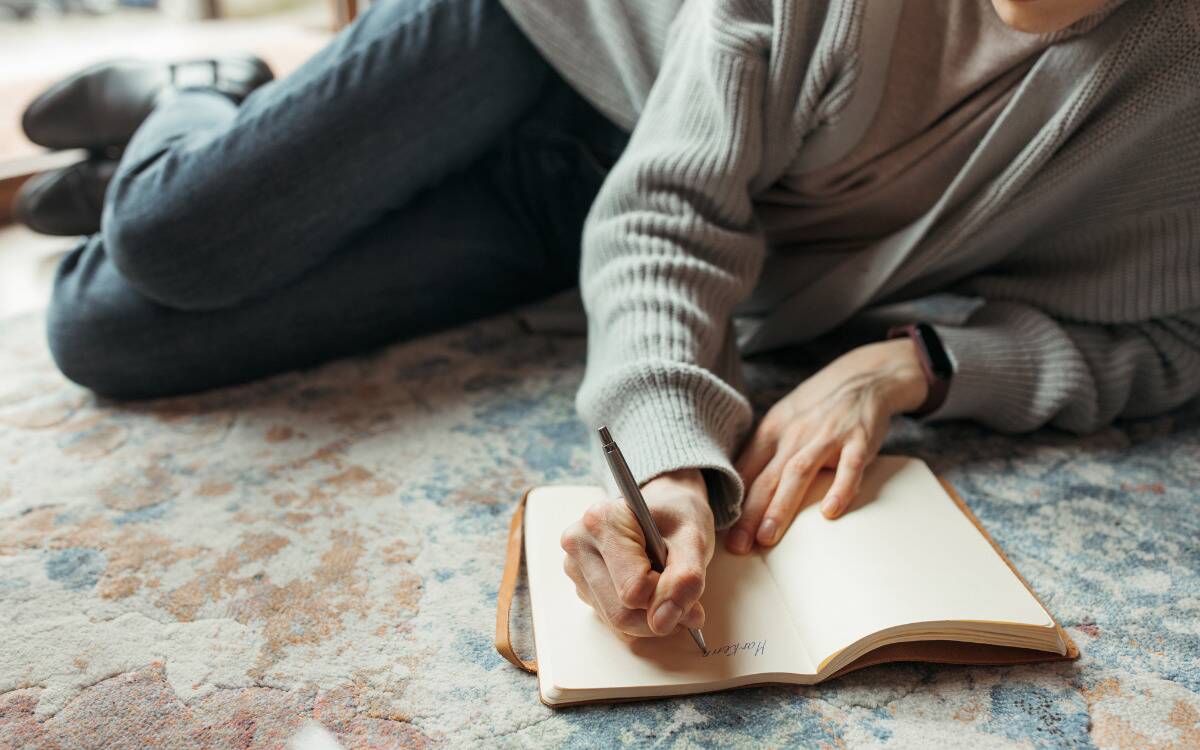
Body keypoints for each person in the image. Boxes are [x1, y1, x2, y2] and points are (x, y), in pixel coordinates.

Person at [18, 0, 1200, 642]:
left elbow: (1174, 340)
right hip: (547, 42)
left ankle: (210, 146)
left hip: (572, 199)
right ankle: (209, 90)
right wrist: (675, 459)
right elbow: (673, 212)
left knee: (107, 334)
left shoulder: (1175, 84)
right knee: (177, 238)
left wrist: (918, 366)